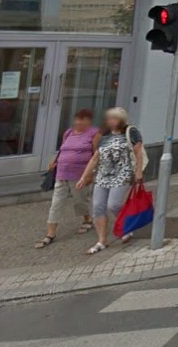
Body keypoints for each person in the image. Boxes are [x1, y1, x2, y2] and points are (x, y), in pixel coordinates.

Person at [75, 107, 145, 255]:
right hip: (103, 175)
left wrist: (138, 172)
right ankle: (101, 240)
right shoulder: (104, 136)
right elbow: (95, 158)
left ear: (121, 120)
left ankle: (127, 225)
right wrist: (84, 176)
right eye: (109, 118)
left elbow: (138, 152)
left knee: (114, 204)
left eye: (114, 118)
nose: (111, 121)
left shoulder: (130, 131)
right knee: (98, 207)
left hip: (122, 173)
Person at [35, 109, 96, 249]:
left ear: (88, 121)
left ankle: (87, 219)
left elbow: (95, 154)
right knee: (56, 202)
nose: (78, 122)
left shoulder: (93, 133)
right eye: (77, 119)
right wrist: (55, 160)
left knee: (80, 200)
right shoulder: (68, 133)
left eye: (82, 119)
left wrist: (90, 174)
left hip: (80, 174)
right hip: (62, 173)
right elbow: (63, 149)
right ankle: (50, 234)